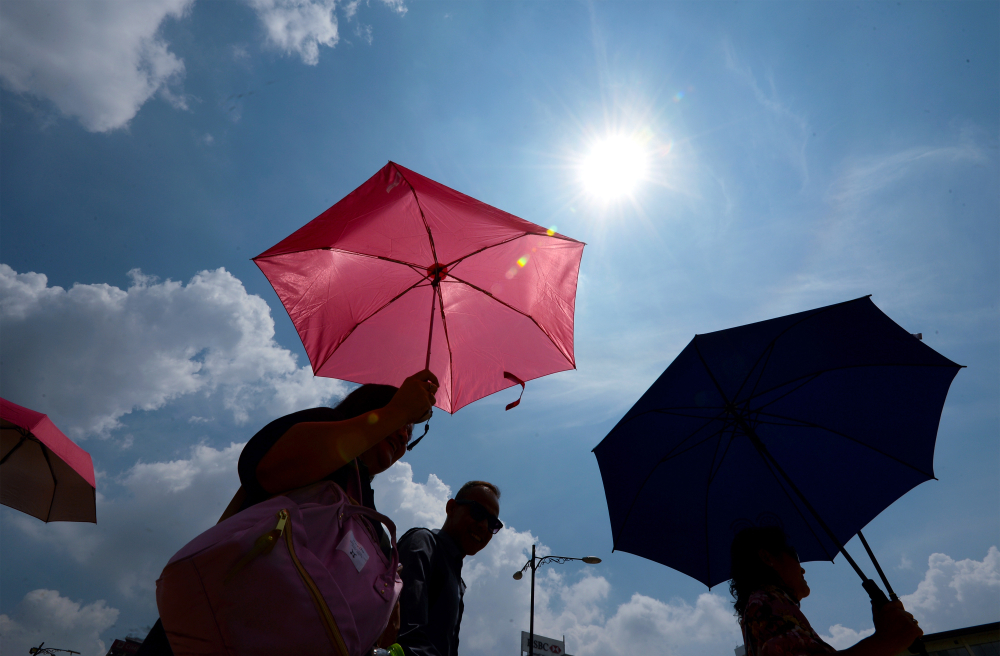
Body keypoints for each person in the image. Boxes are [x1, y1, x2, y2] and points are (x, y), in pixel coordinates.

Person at [138, 369, 438, 656]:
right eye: (400, 421)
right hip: (207, 627)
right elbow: (270, 470)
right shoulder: (324, 428)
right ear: (366, 408)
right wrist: (398, 411)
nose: (403, 434)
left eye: (409, 430)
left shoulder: (374, 527)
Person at [730, 526, 923, 656]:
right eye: (794, 555)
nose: (802, 568)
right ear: (767, 557)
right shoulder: (764, 602)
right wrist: (886, 640)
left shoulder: (765, 606)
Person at [396, 480, 503, 656]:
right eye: (477, 512)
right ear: (451, 507)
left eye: (493, 524)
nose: (483, 525)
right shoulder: (424, 543)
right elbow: (407, 632)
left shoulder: (457, 582)